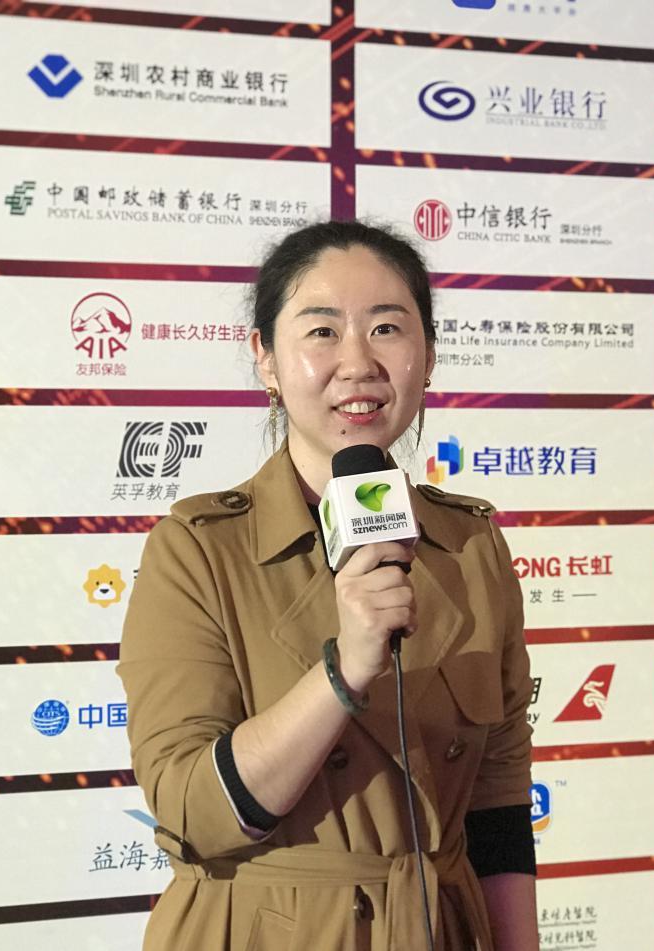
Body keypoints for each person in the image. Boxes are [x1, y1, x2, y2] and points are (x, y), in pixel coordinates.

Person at [118, 220, 539, 950]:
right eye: (321, 331)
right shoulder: (198, 549)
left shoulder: (470, 543)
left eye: (387, 329)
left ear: (429, 356)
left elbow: (498, 801)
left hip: (440, 926)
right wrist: (343, 669)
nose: (357, 362)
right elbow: (192, 810)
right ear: (266, 358)